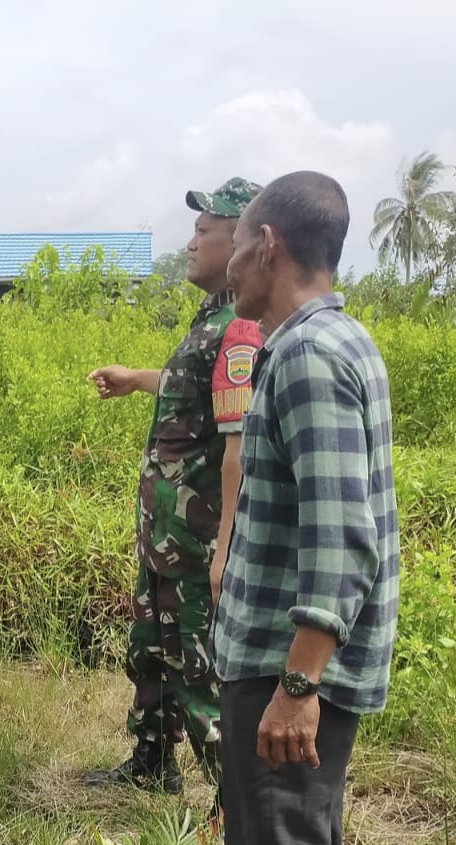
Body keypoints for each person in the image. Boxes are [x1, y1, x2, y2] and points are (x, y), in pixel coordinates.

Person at [212, 170, 399, 845]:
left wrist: (298, 684)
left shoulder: (309, 355)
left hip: (290, 669)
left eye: (238, 241)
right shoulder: (333, 340)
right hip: (292, 663)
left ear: (269, 243)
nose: (229, 263)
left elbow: (339, 530)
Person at [85, 177, 264, 805]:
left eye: (202, 231)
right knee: (151, 651)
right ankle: (150, 762)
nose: (189, 243)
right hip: (165, 534)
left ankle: (233, 801)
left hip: (195, 537)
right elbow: (195, 384)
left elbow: (239, 445)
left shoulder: (242, 327)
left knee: (195, 666)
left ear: (241, 238)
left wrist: (223, 546)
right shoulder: (212, 316)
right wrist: (137, 378)